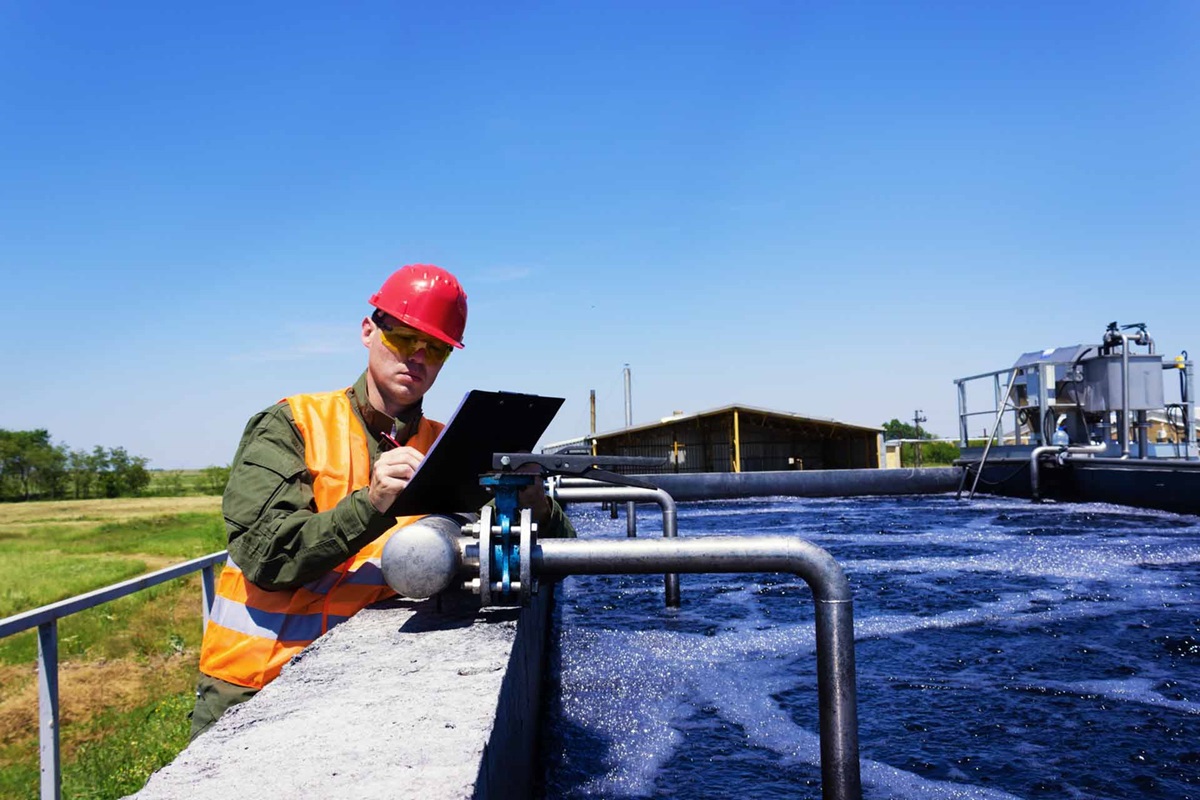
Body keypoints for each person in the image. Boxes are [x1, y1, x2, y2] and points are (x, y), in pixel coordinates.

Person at [190, 264, 575, 739]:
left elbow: (559, 563)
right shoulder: (292, 424)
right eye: (403, 339)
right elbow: (265, 556)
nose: (417, 357)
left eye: (434, 348)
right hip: (257, 686)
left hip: (370, 685)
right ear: (369, 331)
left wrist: (536, 505)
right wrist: (370, 504)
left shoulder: (447, 446)